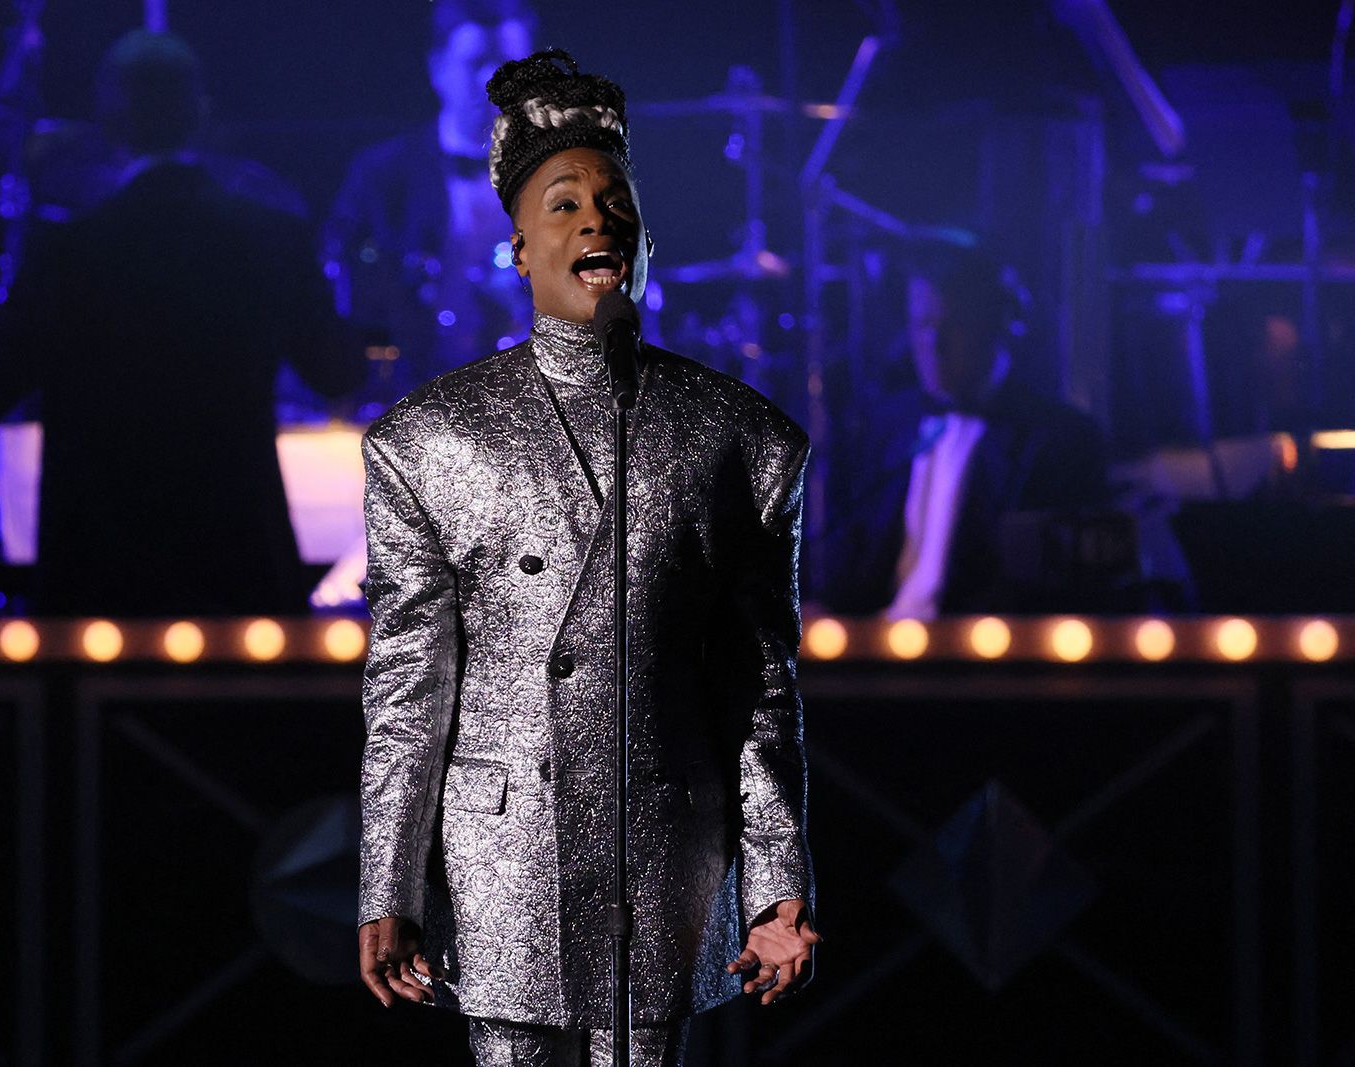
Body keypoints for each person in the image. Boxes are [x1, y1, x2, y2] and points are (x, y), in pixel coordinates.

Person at [356, 50, 818, 1067]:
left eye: (615, 202)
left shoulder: (739, 440)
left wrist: (779, 878)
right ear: (519, 249)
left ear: (648, 239)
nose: (596, 220)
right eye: (563, 204)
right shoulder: (430, 441)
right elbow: (406, 690)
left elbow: (760, 681)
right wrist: (386, 884)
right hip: (501, 861)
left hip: (665, 854)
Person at [0, 30, 358, 616]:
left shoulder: (67, 254)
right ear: (200, 113)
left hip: (99, 579)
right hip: (235, 568)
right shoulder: (271, 238)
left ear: (107, 123)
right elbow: (337, 371)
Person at [818, 246, 1110, 618]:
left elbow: (1050, 594)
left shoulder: (1060, 440)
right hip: (876, 650)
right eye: (922, 325)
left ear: (999, 326)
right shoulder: (883, 427)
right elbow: (850, 558)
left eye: (953, 326)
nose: (933, 346)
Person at [322, 0, 537, 404]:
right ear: (437, 68)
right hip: (409, 398)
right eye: (475, 62)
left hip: (535, 402)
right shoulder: (382, 175)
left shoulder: (568, 174)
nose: (493, 81)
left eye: (511, 65)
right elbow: (337, 283)